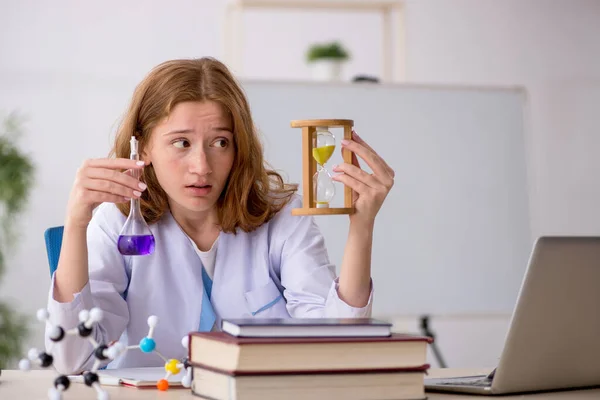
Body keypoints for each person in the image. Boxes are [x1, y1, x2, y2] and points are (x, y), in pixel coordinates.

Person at [45, 57, 395, 374]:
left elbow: (336, 344)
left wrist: (362, 227)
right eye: (181, 142)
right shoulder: (116, 222)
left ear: (238, 147)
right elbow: (72, 359)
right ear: (144, 146)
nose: (202, 167)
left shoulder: (282, 216)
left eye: (220, 143)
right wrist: (77, 222)